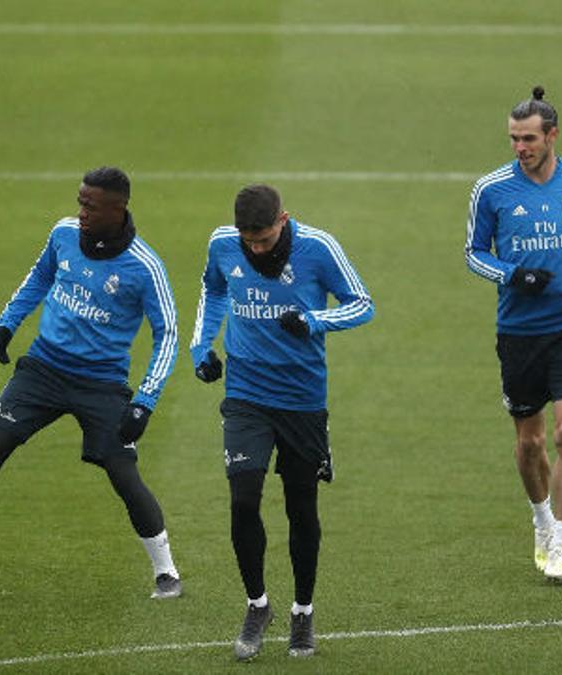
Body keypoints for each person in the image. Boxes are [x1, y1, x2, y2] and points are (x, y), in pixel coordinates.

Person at [0, 166, 182, 599]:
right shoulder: (63, 234)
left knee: (123, 473)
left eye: (91, 205)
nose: (81, 211)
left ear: (118, 209)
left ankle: (166, 572)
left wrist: (145, 400)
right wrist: (7, 324)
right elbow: (39, 277)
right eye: (80, 201)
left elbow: (169, 334)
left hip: (102, 384)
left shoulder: (144, 267)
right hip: (43, 370)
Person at [191, 184, 374, 660]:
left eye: (265, 240)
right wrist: (201, 348)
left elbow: (362, 303)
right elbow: (212, 291)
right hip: (246, 396)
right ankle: (257, 606)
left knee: (301, 510)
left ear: (284, 220)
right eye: (248, 241)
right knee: (243, 498)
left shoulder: (318, 248)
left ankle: (303, 612)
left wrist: (313, 320)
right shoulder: (221, 244)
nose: (256, 248)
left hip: (302, 401)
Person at [465, 86, 562, 583]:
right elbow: (474, 252)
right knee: (531, 444)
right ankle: (542, 519)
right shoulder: (491, 190)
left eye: (528, 138)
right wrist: (512, 274)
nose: (520, 147)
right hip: (519, 330)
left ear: (552, 135)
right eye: (513, 139)